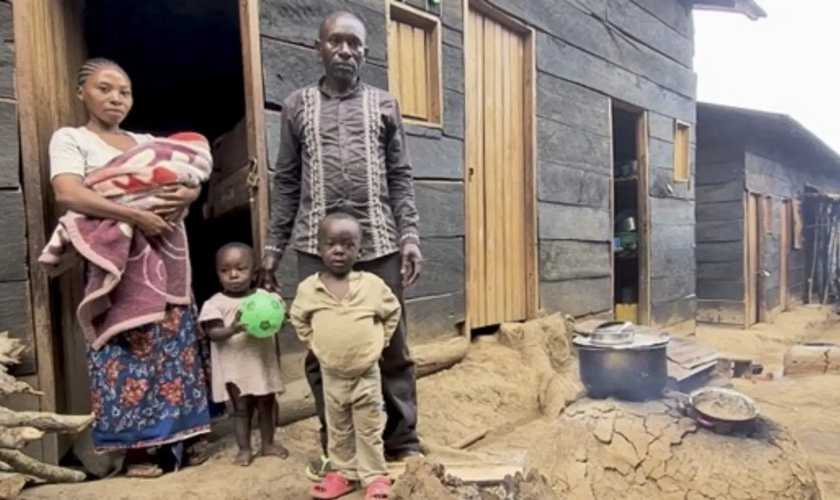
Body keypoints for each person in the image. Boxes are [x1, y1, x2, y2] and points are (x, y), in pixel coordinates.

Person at [260, 10, 424, 480]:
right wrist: (273, 247)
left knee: (392, 345)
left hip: (380, 244)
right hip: (317, 245)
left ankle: (401, 441)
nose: (346, 50)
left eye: (355, 44)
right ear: (319, 47)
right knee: (324, 352)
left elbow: (401, 177)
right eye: (336, 41)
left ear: (366, 53)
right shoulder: (296, 106)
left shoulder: (385, 105)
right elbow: (287, 181)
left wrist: (409, 236)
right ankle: (338, 446)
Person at [47, 58, 212, 477]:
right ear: (81, 92)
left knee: (173, 346)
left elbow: (187, 173)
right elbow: (69, 194)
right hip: (116, 263)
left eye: (124, 91)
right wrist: (136, 215)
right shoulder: (70, 139)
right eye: (104, 88)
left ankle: (184, 440)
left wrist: (188, 195)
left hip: (163, 257)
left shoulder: (145, 142)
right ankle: (135, 453)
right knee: (124, 351)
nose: (116, 98)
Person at [290, 213, 400, 500]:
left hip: (366, 374)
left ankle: (375, 477)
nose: (339, 250)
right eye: (331, 244)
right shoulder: (308, 289)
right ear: (319, 248)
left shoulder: (372, 286)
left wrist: (381, 341)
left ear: (359, 251)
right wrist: (316, 345)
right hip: (332, 374)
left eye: (347, 245)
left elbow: (392, 312)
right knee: (338, 427)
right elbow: (299, 319)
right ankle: (344, 473)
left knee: (370, 427)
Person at [199, 243, 289, 467]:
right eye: (225, 270)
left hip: (262, 363)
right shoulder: (216, 303)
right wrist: (233, 328)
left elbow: (281, 320)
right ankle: (245, 449)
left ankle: (268, 443)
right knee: (241, 409)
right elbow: (213, 333)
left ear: (254, 271)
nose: (233, 275)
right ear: (218, 273)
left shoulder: (263, 298)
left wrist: (280, 316)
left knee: (267, 404)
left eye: (241, 269)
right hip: (235, 368)